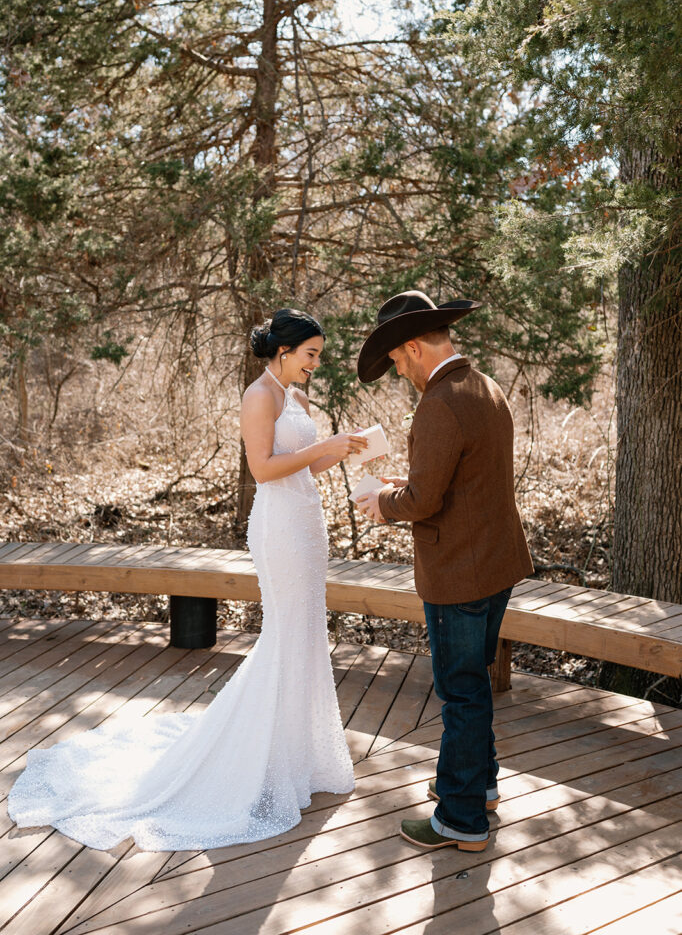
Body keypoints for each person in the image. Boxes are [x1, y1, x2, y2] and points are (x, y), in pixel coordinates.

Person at [8, 307, 366, 851]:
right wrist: (320, 448)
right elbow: (263, 468)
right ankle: (259, 762)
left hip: (307, 522)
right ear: (284, 351)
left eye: (319, 355)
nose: (316, 364)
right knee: (285, 635)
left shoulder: (297, 395)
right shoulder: (260, 395)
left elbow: (303, 464)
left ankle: (299, 760)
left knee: (307, 634)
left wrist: (339, 449)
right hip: (278, 529)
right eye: (311, 354)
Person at [355, 290, 533, 852]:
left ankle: (459, 819)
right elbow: (462, 481)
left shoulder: (439, 402)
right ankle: (477, 787)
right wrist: (397, 489)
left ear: (412, 345)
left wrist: (380, 504)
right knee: (473, 680)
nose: (399, 371)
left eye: (399, 361)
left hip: (459, 572)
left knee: (460, 692)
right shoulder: (485, 387)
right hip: (496, 562)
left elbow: (425, 500)